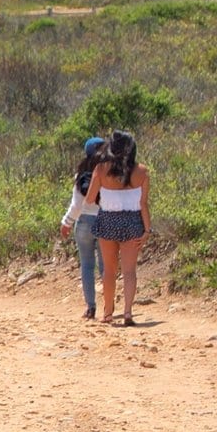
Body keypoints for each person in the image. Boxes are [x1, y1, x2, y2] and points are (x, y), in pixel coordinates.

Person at [83, 130, 150, 326]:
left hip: (108, 220)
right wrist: (147, 230)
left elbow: (89, 199)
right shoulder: (142, 172)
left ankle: (108, 312)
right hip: (133, 221)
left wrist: (106, 197)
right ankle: (128, 312)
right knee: (130, 271)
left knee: (109, 271)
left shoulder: (101, 169)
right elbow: (143, 204)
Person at [58, 136, 106, 320]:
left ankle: (90, 307)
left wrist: (67, 222)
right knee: (105, 266)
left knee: (87, 265)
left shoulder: (81, 175)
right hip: (104, 222)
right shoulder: (108, 174)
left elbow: (77, 205)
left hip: (84, 222)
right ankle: (109, 306)